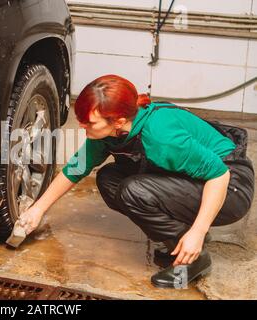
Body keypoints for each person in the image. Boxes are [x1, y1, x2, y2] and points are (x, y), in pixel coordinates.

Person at [19, 75, 254, 288]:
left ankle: (195, 259)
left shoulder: (162, 137)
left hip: (231, 186)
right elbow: (76, 168)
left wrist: (198, 232)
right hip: (195, 179)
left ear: (118, 121)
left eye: (90, 122)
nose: (82, 126)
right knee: (109, 179)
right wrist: (37, 209)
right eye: (81, 119)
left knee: (134, 191)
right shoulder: (109, 132)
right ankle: (178, 241)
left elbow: (219, 175)